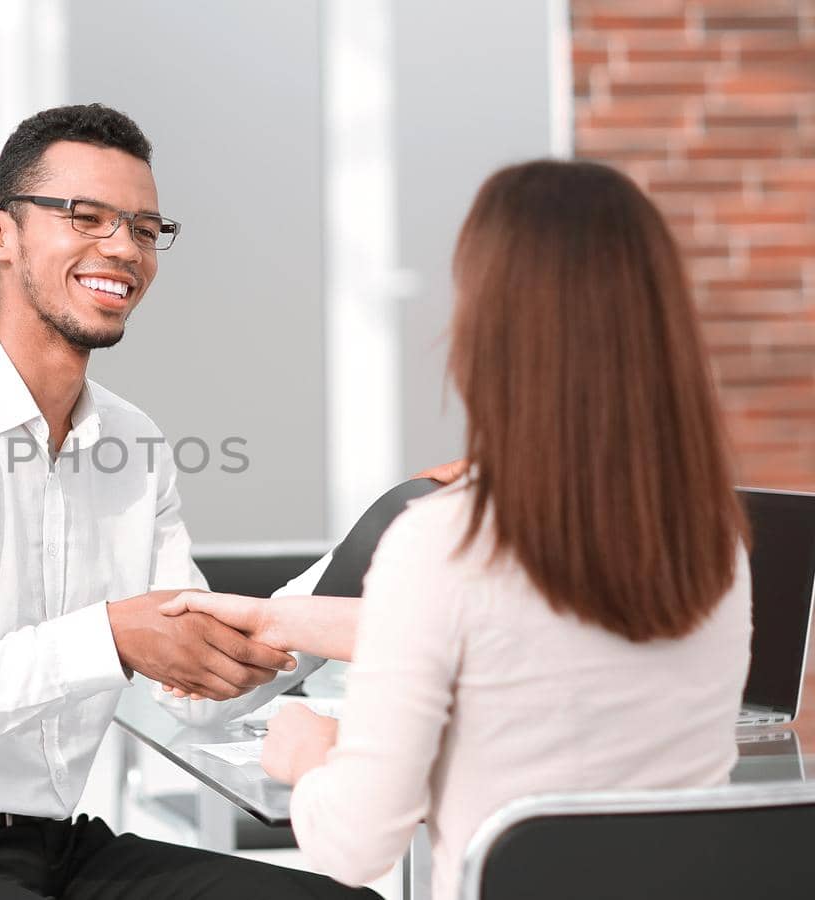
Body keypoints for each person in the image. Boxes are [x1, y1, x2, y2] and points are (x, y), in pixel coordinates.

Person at [0, 104, 377, 899]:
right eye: (85, 217)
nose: (123, 248)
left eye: (143, 226)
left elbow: (193, 694)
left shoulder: (135, 446)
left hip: (57, 850)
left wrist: (369, 550)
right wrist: (109, 638)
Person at [168, 160, 752, 899]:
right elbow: (529, 643)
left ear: (491, 328)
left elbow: (354, 846)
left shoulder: (443, 546)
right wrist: (275, 617)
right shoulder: (715, 545)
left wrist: (313, 757)